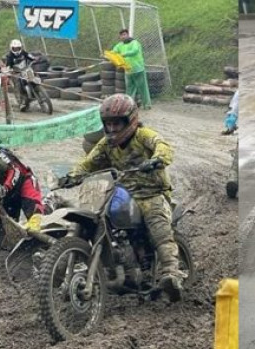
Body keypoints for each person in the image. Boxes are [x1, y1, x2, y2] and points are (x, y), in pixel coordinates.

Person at [57, 94, 184, 301]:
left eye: (117, 123)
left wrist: (156, 160)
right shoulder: (106, 144)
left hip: (151, 193)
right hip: (121, 193)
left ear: (130, 120)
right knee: (100, 218)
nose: (113, 129)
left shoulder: (143, 135)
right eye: (109, 124)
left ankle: (171, 274)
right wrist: (71, 176)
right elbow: (87, 163)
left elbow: (163, 146)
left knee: (158, 227)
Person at [112, 29, 150, 110]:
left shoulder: (134, 43)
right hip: (128, 71)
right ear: (120, 37)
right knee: (129, 90)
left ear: (128, 35)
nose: (123, 36)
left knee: (142, 89)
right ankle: (129, 106)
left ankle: (147, 105)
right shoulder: (119, 45)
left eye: (125, 34)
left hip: (138, 69)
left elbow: (135, 51)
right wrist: (109, 55)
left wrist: (124, 54)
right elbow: (114, 51)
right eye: (121, 35)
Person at [3, 39, 36, 109]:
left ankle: (37, 90)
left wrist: (35, 58)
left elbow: (29, 56)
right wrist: (8, 71)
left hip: (25, 69)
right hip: (16, 73)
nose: (16, 50)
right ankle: (20, 103)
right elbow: (7, 66)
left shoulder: (23, 52)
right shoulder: (9, 56)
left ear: (20, 48)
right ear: (11, 48)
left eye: (18, 48)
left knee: (33, 77)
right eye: (14, 49)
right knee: (17, 87)